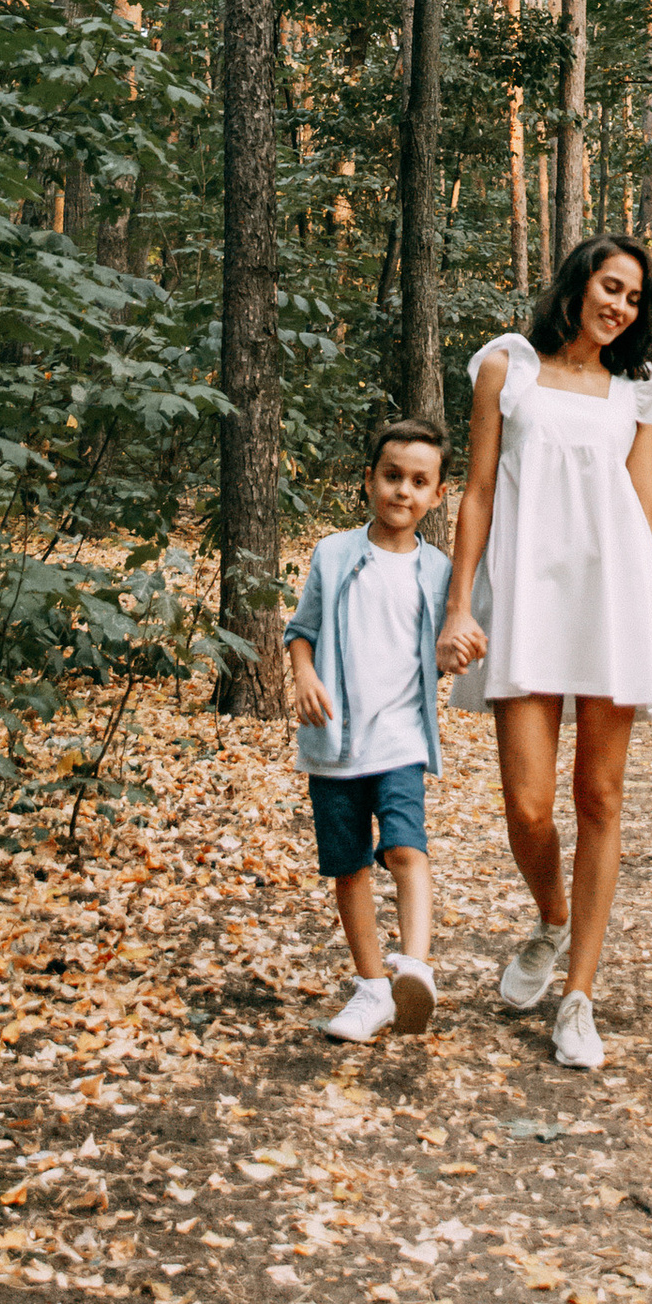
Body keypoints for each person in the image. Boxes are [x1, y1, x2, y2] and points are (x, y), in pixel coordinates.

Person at [438, 235, 652, 1073]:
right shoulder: (507, 365)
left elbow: (649, 509)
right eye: (610, 287)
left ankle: (579, 996)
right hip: (524, 597)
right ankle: (551, 920)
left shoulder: (637, 383)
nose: (621, 307)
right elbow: (479, 490)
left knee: (599, 795)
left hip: (613, 597)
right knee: (527, 806)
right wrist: (459, 604)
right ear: (578, 284)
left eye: (634, 298)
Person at [287, 418, 453, 1046]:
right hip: (333, 742)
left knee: (407, 848)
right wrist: (304, 676)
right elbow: (299, 632)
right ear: (368, 481)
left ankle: (414, 965)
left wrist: (453, 653)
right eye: (391, 476)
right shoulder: (333, 555)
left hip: (401, 739)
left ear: (437, 494)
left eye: (418, 481)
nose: (402, 491)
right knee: (349, 865)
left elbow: (439, 649)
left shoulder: (438, 572)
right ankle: (373, 989)